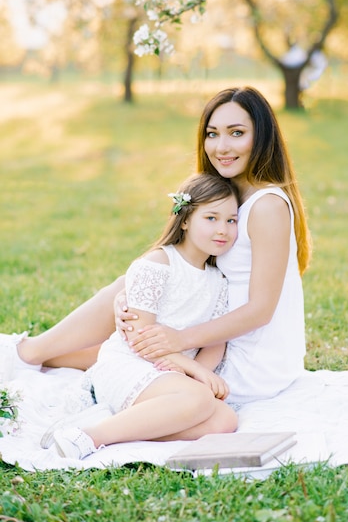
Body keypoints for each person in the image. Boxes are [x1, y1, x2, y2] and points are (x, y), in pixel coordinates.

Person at [1, 86, 311, 407]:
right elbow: (184, 263)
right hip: (211, 325)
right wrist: (134, 300)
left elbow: (261, 311)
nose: (221, 147)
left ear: (261, 138)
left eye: (236, 133)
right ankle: (33, 354)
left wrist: (179, 339)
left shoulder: (267, 206)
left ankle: (28, 353)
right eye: (212, 134)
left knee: (133, 352)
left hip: (248, 354)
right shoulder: (228, 196)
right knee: (129, 310)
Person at [53, 173, 239, 459]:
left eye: (231, 220)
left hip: (174, 377)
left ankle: (120, 427)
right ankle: (90, 436)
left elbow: (215, 338)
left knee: (225, 421)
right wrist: (194, 372)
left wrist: (199, 373)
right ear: (186, 220)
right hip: (131, 365)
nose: (223, 229)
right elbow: (139, 337)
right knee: (198, 399)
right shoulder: (157, 264)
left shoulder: (219, 281)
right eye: (211, 218)